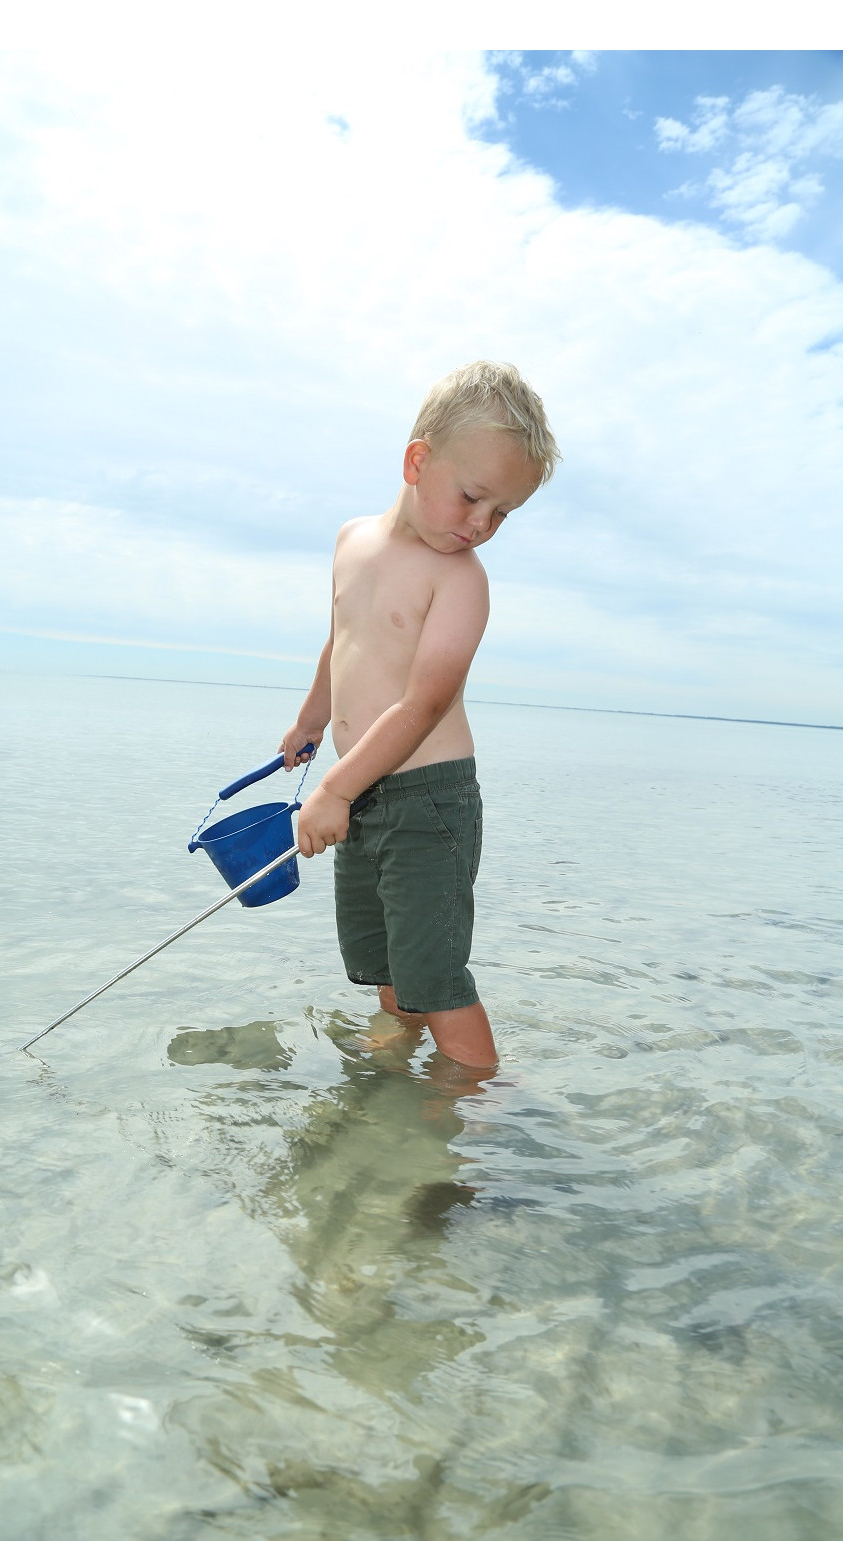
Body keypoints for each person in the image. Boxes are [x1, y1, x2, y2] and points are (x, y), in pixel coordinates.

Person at [278, 360, 560, 1070]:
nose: (482, 524)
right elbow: (344, 635)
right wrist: (314, 717)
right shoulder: (351, 541)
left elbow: (424, 701)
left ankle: (475, 1105)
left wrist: (336, 789)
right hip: (362, 789)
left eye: (501, 513)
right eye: (472, 498)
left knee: (435, 976)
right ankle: (395, 1090)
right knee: (388, 965)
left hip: (428, 801)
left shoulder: (461, 581)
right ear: (417, 462)